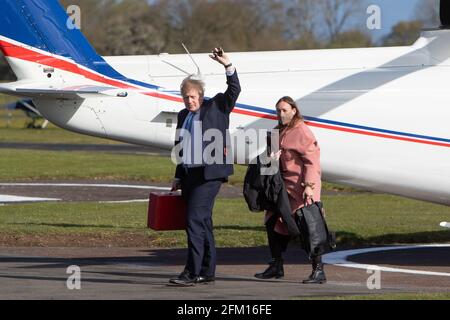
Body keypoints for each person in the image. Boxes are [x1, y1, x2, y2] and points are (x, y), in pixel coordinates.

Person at [169, 48, 241, 286]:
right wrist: (178, 176)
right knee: (203, 222)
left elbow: (234, 91)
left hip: (209, 175)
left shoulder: (216, 107)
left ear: (201, 95)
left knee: (193, 220)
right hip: (190, 174)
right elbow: (181, 148)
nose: (189, 101)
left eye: (192, 96)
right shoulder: (183, 115)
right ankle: (207, 272)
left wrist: (227, 66)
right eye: (185, 97)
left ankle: (191, 272)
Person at [254, 96, 326, 284]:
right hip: (281, 187)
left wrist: (310, 187)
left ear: (294, 110)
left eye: (285, 110)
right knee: (272, 223)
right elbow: (269, 164)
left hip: (301, 188)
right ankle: (276, 265)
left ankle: (318, 270)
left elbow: (313, 162)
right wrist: (270, 158)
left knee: (309, 227)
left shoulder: (302, 132)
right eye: (278, 110)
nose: (281, 113)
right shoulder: (277, 132)